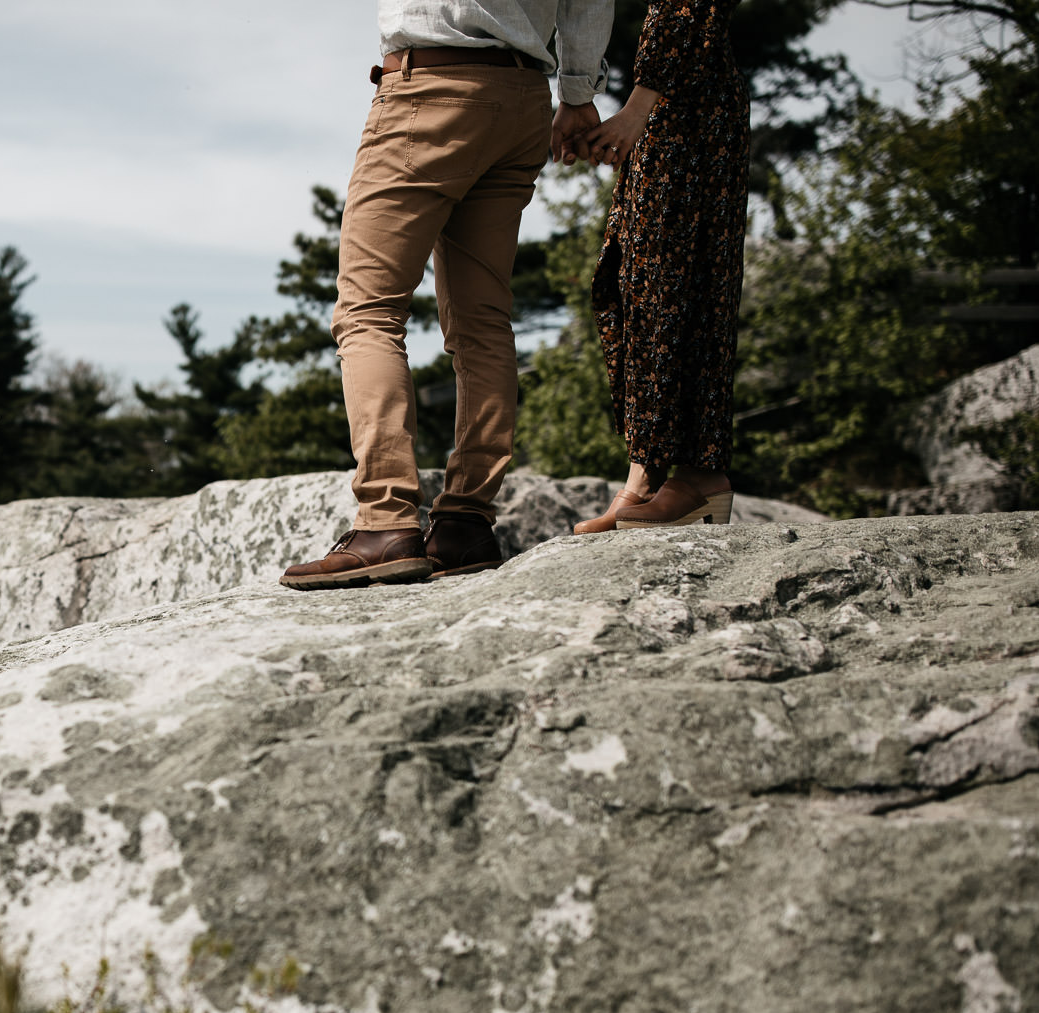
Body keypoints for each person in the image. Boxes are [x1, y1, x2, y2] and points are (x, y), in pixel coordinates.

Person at [281, 0, 613, 590]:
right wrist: (579, 93)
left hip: (431, 89)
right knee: (483, 321)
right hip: (523, 101)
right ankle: (465, 523)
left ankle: (385, 521)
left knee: (368, 312)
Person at [571, 0, 749, 533]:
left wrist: (636, 108)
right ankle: (646, 473)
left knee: (675, 287)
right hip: (678, 101)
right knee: (644, 283)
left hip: (688, 103)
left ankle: (698, 472)